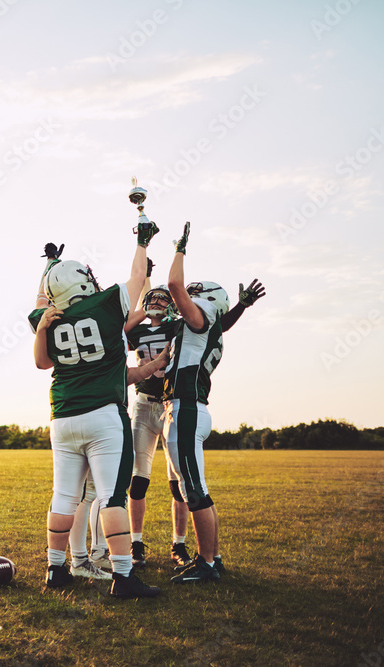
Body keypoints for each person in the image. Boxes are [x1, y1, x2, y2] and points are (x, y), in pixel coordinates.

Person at [28, 227, 163, 598]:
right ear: (85, 282)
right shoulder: (104, 305)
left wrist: (49, 266)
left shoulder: (47, 317)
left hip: (63, 416)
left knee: (64, 496)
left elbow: (41, 360)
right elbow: (138, 278)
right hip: (103, 415)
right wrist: (142, 240)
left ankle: (56, 569)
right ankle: (123, 577)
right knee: (111, 495)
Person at [123, 275, 265, 570]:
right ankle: (136, 543)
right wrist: (145, 282)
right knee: (139, 480)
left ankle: (180, 544)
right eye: (153, 299)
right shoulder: (139, 331)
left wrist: (240, 307)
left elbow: (217, 324)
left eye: (164, 299)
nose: (159, 303)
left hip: (172, 407)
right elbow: (118, 333)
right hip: (146, 405)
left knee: (181, 485)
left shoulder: (180, 325)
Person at [161, 221, 230, 584]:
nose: (188, 297)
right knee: (192, 486)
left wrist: (179, 248)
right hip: (186, 409)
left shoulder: (201, 319)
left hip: (186, 409)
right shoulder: (207, 329)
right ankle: (213, 558)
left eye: (196, 293)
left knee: (194, 489)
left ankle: (207, 564)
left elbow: (174, 286)